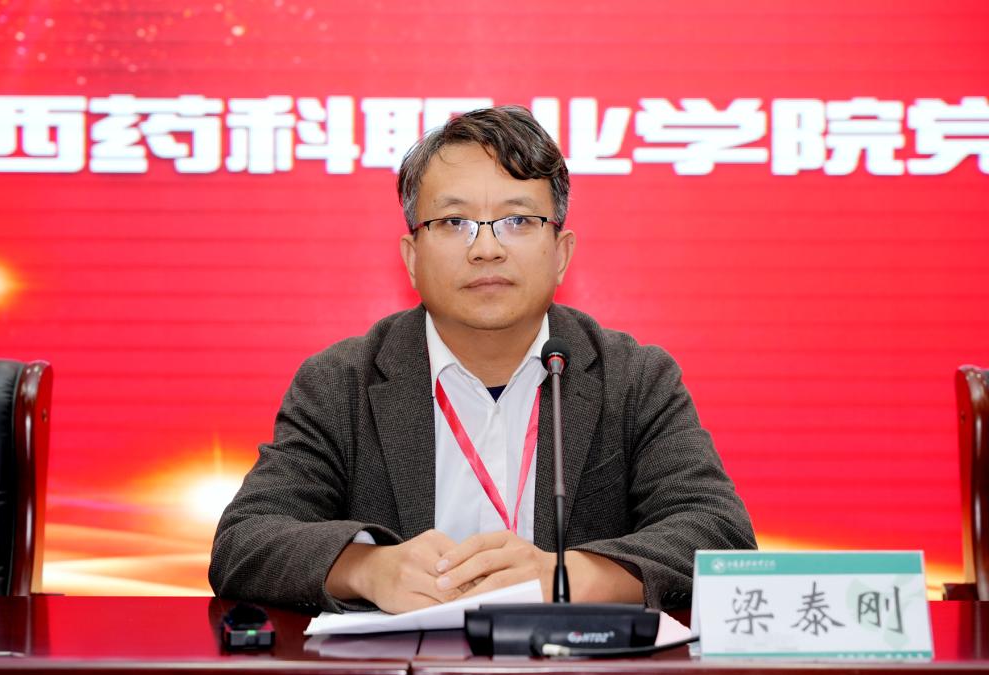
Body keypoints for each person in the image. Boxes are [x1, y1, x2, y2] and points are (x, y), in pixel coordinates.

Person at [209, 105, 756, 615]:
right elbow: (244, 541)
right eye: (454, 222)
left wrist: (567, 577)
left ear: (561, 253)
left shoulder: (633, 379)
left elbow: (718, 534)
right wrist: (368, 569)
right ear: (411, 258)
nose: (486, 249)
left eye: (518, 221)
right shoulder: (340, 382)